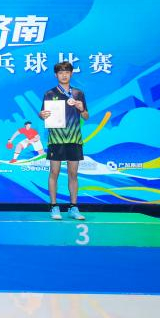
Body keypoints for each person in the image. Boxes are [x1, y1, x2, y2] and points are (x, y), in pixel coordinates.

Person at [38, 61, 89, 220]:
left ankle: (73, 207)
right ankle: (54, 207)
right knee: (54, 172)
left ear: (71, 74)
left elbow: (86, 116)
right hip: (56, 139)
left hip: (74, 139)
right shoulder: (49, 93)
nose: (64, 75)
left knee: (73, 174)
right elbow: (42, 114)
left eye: (67, 72)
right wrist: (41, 115)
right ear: (56, 75)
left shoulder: (78, 93)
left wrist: (81, 108)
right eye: (61, 72)